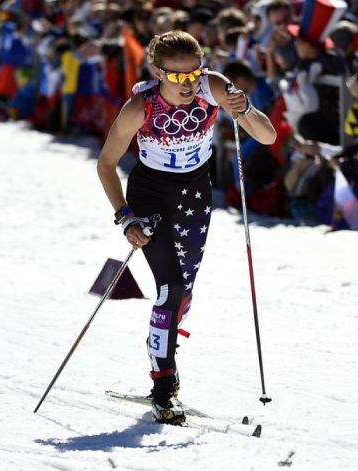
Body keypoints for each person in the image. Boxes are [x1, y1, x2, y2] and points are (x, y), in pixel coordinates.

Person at [96, 31, 276, 425]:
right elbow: (106, 164)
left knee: (184, 295)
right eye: (177, 78)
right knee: (170, 288)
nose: (188, 84)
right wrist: (125, 216)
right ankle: (165, 383)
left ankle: (161, 338)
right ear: (158, 73)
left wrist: (243, 108)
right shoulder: (139, 107)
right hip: (149, 194)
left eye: (194, 73)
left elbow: (267, 135)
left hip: (195, 192)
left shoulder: (213, 87)